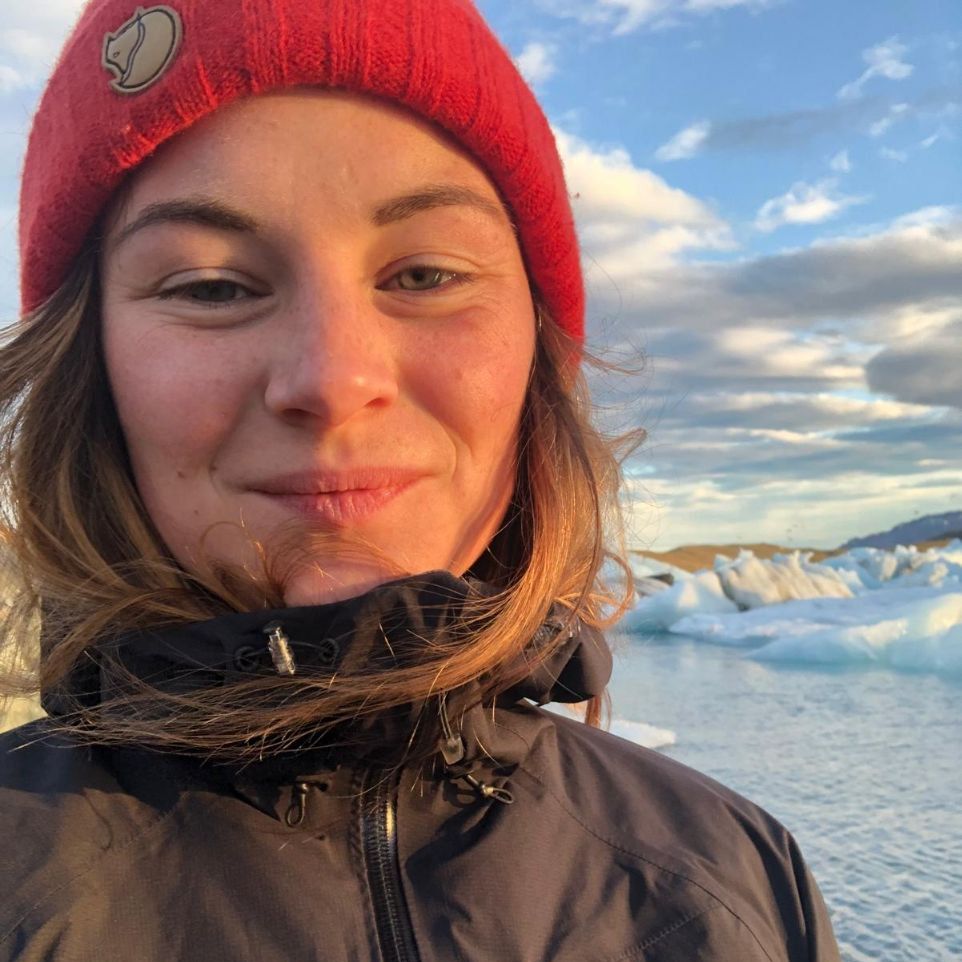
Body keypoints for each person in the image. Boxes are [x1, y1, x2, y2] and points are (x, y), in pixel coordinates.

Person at [0, 1, 842, 960]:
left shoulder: (731, 881)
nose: (333, 379)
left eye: (426, 275)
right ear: (86, 368)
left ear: (536, 356)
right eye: (210, 287)